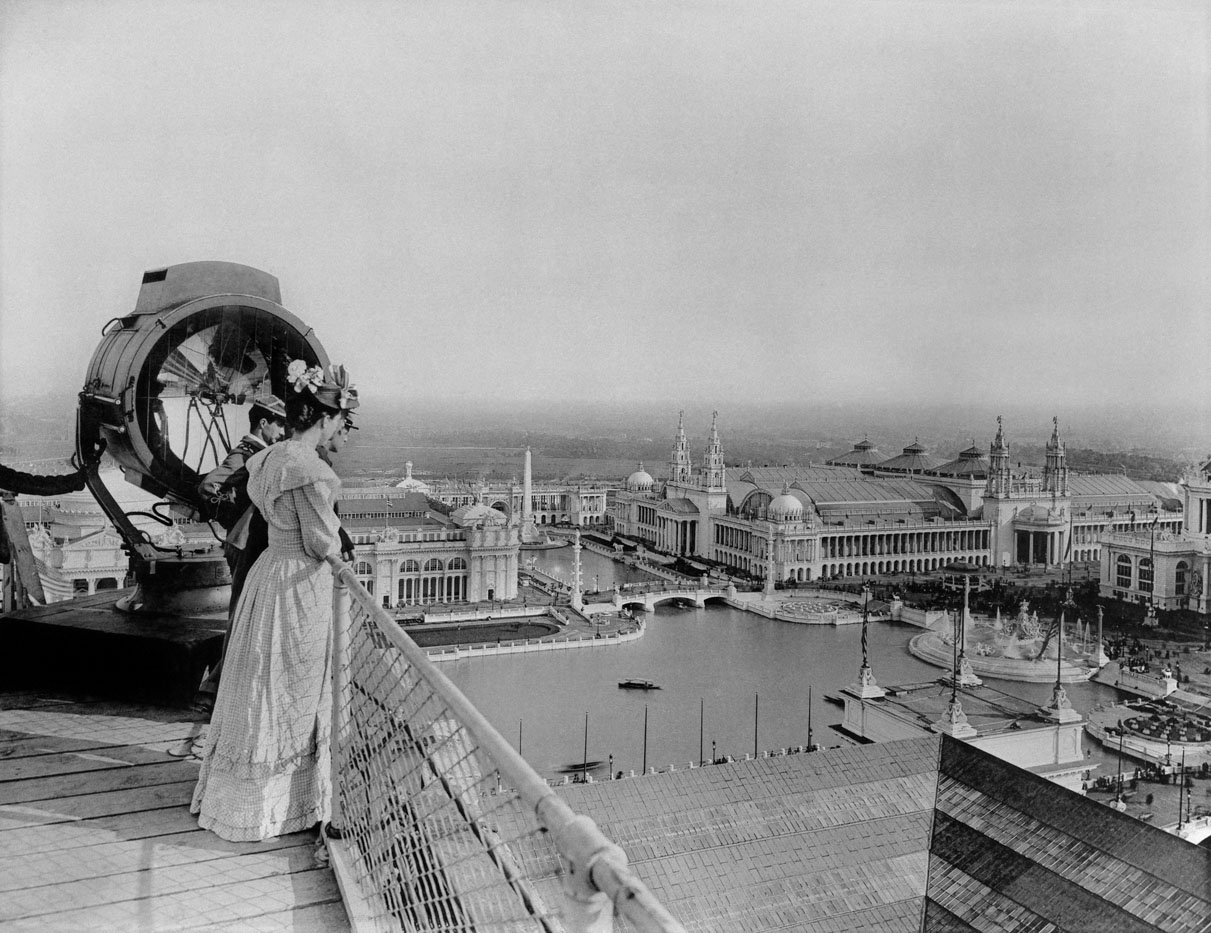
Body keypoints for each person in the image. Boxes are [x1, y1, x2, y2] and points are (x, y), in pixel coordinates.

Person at [191, 361, 358, 842]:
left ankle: (246, 793)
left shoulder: (267, 459)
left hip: (267, 575)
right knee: (292, 690)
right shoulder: (309, 470)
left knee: (261, 683)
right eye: (340, 423)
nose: (341, 433)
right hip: (299, 586)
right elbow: (323, 542)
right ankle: (280, 804)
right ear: (325, 419)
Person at [193, 395, 288, 711]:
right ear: (264, 423)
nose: (283, 431)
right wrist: (235, 517)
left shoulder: (257, 453)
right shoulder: (247, 454)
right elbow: (209, 487)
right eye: (279, 424)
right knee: (241, 616)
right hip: (245, 544)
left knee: (245, 614)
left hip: (247, 543)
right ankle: (211, 691)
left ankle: (217, 689)